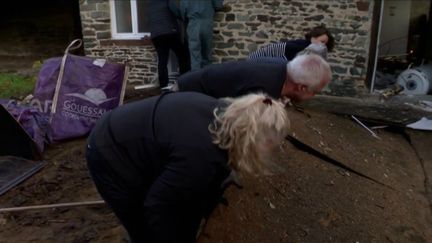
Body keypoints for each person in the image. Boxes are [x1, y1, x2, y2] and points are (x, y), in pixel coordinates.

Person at [86, 91, 289, 242]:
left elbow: (198, 185)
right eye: (269, 144)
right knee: (144, 227)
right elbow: (158, 206)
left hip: (139, 138)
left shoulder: (225, 117)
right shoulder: (201, 154)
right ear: (251, 137)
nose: (269, 151)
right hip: (109, 152)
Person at [175, 53, 332, 102]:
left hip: (191, 83)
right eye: (314, 92)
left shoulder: (281, 67)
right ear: (302, 87)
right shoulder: (264, 91)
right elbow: (235, 122)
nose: (313, 96)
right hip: (185, 95)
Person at [148, 0, 190, 90]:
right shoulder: (167, 1)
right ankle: (184, 81)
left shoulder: (151, 4)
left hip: (156, 35)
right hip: (170, 32)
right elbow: (177, 13)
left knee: (162, 61)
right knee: (183, 55)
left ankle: (163, 86)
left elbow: (149, 19)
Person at [248, 25, 335, 62]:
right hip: (256, 59)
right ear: (313, 37)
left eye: (325, 44)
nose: (323, 46)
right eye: (322, 41)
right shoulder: (303, 47)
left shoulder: (305, 46)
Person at [179, 0, 224, 71]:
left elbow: (182, 12)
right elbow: (218, 6)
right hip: (207, 22)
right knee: (207, 56)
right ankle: (207, 78)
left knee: (195, 56)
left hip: (193, 23)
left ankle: (196, 79)